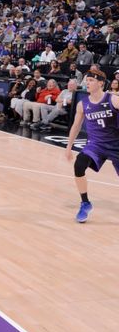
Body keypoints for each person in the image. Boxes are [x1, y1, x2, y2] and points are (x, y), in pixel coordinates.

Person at [65, 69, 119, 223]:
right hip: (96, 145)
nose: (87, 83)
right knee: (79, 165)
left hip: (116, 144)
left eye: (91, 80)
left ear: (101, 83)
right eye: (87, 80)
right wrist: (69, 147)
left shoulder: (113, 100)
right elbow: (76, 126)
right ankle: (85, 203)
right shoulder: (83, 104)